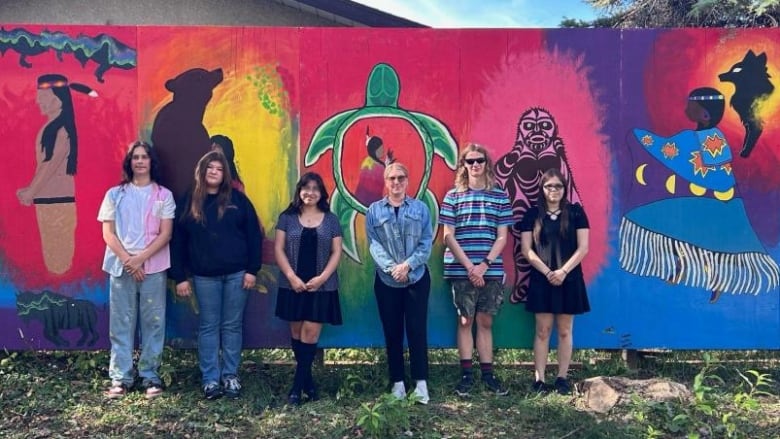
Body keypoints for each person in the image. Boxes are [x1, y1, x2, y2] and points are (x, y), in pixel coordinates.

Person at [171, 151, 262, 400]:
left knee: (232, 326)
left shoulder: (238, 201)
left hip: (237, 275)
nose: (213, 171)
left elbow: (254, 236)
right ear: (202, 170)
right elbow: (177, 240)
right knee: (208, 327)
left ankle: (230, 376)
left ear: (225, 174)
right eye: (209, 167)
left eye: (219, 168)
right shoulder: (189, 201)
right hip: (204, 277)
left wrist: (252, 270)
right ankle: (211, 379)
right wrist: (179, 276)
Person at [98, 140, 175, 399]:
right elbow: (108, 232)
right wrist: (128, 261)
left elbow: (165, 234)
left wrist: (140, 259)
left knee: (154, 323)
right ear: (129, 162)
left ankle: (150, 376)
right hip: (121, 269)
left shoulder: (164, 195)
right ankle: (120, 378)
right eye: (135, 157)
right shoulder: (115, 194)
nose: (140, 161)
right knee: (121, 323)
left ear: (152, 162)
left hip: (153, 268)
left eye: (144, 157)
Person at [440, 143, 513, 397]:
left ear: (486, 163)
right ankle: (466, 376)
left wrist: (484, 265)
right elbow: (448, 236)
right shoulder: (452, 197)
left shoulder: (500, 196)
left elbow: (502, 237)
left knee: (485, 321)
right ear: (463, 166)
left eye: (479, 160)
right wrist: (471, 267)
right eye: (469, 161)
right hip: (461, 271)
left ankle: (488, 375)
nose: (475, 165)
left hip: (489, 270)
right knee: (464, 320)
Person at [366, 162, 433, 404]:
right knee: (392, 332)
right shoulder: (374, 211)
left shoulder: (421, 209)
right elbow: (374, 244)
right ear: (386, 181)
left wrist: (407, 266)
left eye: (401, 178)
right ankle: (397, 383)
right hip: (387, 281)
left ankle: (421, 384)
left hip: (416, 279)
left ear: (407, 180)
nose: (396, 182)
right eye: (392, 178)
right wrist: (392, 268)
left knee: (417, 330)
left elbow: (427, 242)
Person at [274, 172, 343, 406]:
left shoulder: (331, 219)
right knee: (296, 333)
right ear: (299, 191)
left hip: (321, 287)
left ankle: (296, 389)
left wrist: (322, 278)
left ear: (322, 193)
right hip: (292, 284)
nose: (310, 192)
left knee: (310, 332)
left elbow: (336, 252)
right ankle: (309, 382)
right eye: (306, 187)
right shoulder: (287, 217)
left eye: (315, 188)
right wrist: (292, 277)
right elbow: (279, 250)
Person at [519, 168, 590, 395]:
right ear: (542, 189)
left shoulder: (576, 213)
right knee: (542, 330)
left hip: (569, 279)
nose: (554, 190)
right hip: (542, 280)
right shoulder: (532, 215)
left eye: (558, 186)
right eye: (549, 186)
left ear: (564, 189)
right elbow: (526, 250)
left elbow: (583, 247)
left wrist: (563, 272)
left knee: (565, 330)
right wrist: (548, 272)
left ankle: (562, 378)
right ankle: (539, 378)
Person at [19, 74, 96, 274]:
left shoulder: (60, 129)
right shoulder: (52, 127)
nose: (38, 101)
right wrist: (31, 190)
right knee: (53, 257)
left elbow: (50, 165)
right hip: (49, 199)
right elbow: (46, 166)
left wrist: (30, 192)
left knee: (58, 261)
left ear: (57, 98)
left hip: (56, 201)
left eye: (43, 97)